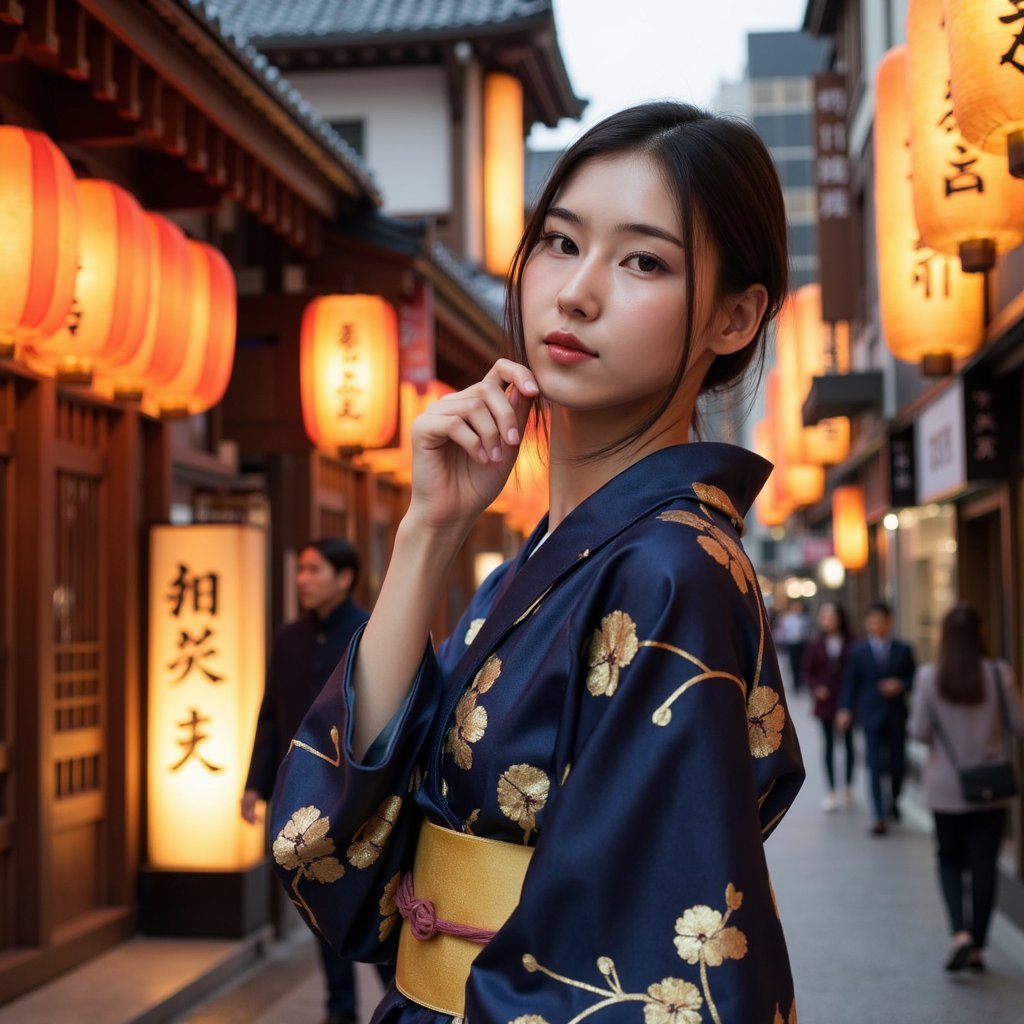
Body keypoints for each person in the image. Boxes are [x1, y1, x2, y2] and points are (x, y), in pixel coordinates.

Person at [267, 101, 805, 1024]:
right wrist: (428, 532)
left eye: (644, 260)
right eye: (559, 242)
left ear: (735, 316)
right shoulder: (554, 561)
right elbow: (336, 841)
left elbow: (636, 956)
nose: (576, 291)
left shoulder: (670, 569)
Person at [242, 538, 371, 1024]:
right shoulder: (288, 638)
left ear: (345, 577)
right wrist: (255, 783)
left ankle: (394, 1001)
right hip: (298, 796)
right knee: (316, 899)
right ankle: (340, 1009)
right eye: (301, 570)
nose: (303, 580)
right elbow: (270, 715)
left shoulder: (368, 630)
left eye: (315, 570)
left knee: (363, 900)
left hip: (355, 793)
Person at [908, 603, 1024, 973]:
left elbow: (920, 732)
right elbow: (1019, 724)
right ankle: (978, 945)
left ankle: (959, 933)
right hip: (992, 786)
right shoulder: (997, 672)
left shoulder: (929, 676)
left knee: (949, 860)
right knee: (985, 865)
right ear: (980, 635)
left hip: (947, 788)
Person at [836, 601, 916, 835]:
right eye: (871, 621)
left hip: (896, 715)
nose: (875, 625)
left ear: (889, 622)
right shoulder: (858, 651)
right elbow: (850, 683)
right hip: (870, 714)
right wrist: (845, 709)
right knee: (873, 764)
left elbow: (915, 677)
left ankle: (894, 801)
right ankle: (878, 815)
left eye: (880, 621)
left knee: (898, 765)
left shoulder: (903, 649)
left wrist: (900, 684)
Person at [802, 601, 855, 811]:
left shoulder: (852, 642)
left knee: (849, 745)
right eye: (824, 617)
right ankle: (831, 790)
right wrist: (816, 688)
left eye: (831, 617)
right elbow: (807, 672)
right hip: (825, 702)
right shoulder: (815, 644)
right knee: (829, 745)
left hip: (847, 701)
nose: (827, 621)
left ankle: (848, 787)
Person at [776, 599, 811, 693]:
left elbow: (807, 631)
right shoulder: (787, 618)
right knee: (793, 664)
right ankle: (795, 684)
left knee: (802, 663)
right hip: (791, 644)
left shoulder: (804, 618)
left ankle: (801, 682)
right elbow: (781, 631)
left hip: (801, 643)